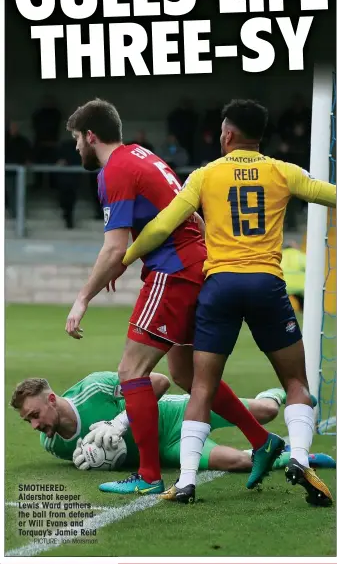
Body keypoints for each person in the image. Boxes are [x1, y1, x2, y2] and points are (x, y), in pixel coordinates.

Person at [120, 98, 336, 506]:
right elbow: (329, 194)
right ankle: (301, 458)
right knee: (296, 383)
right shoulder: (282, 171)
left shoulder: (206, 175)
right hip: (267, 285)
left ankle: (185, 482)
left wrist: (126, 260)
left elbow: (164, 224)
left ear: (228, 134)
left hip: (218, 287)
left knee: (201, 386)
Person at [65, 98, 283, 495]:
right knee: (184, 374)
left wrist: (82, 299)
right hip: (198, 266)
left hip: (175, 271)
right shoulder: (144, 156)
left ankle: (148, 476)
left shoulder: (114, 170)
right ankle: (263, 440)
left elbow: (113, 247)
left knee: (132, 371)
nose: (77, 147)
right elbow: (192, 213)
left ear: (91, 135)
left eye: (77, 139)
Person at [10, 373, 334, 478]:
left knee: (264, 412)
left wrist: (119, 423)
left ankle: (278, 393)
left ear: (51, 400)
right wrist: (103, 460)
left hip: (176, 414)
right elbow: (115, 457)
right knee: (237, 461)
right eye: (28, 421)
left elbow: (161, 382)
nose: (34, 425)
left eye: (34, 415)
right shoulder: (53, 445)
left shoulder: (95, 388)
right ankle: (295, 457)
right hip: (166, 450)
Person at [281, 242, 306, 312]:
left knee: (279, 302)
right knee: (303, 302)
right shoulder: (300, 255)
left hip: (283, 285)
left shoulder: (280, 255)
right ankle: (305, 313)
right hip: (299, 287)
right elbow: (310, 268)